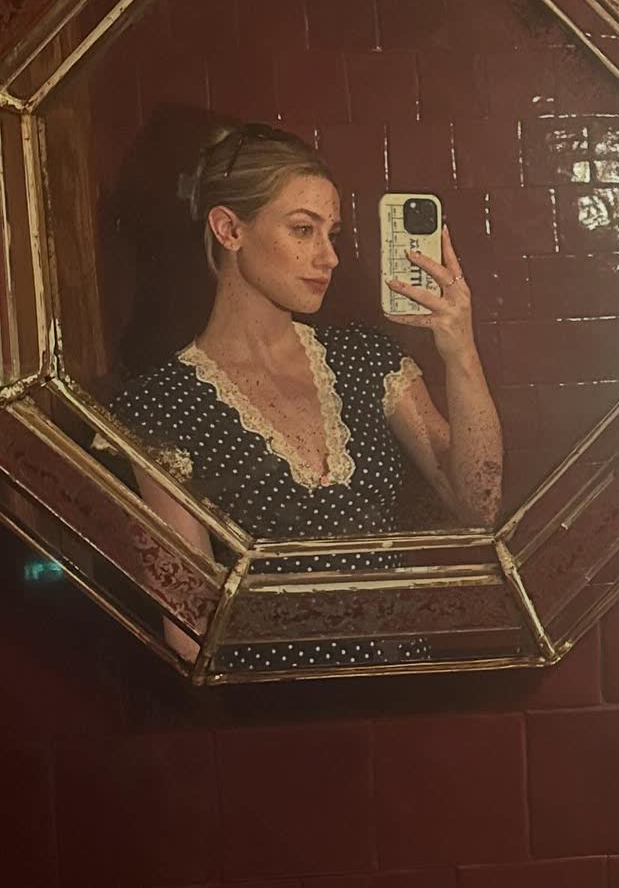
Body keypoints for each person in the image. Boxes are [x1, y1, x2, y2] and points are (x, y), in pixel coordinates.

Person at [92, 122, 503, 670]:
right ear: (229, 229)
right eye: (304, 230)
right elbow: (191, 631)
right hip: (274, 702)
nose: (329, 257)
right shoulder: (163, 406)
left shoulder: (364, 359)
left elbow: (478, 504)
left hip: (404, 685)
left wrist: (461, 352)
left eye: (332, 233)